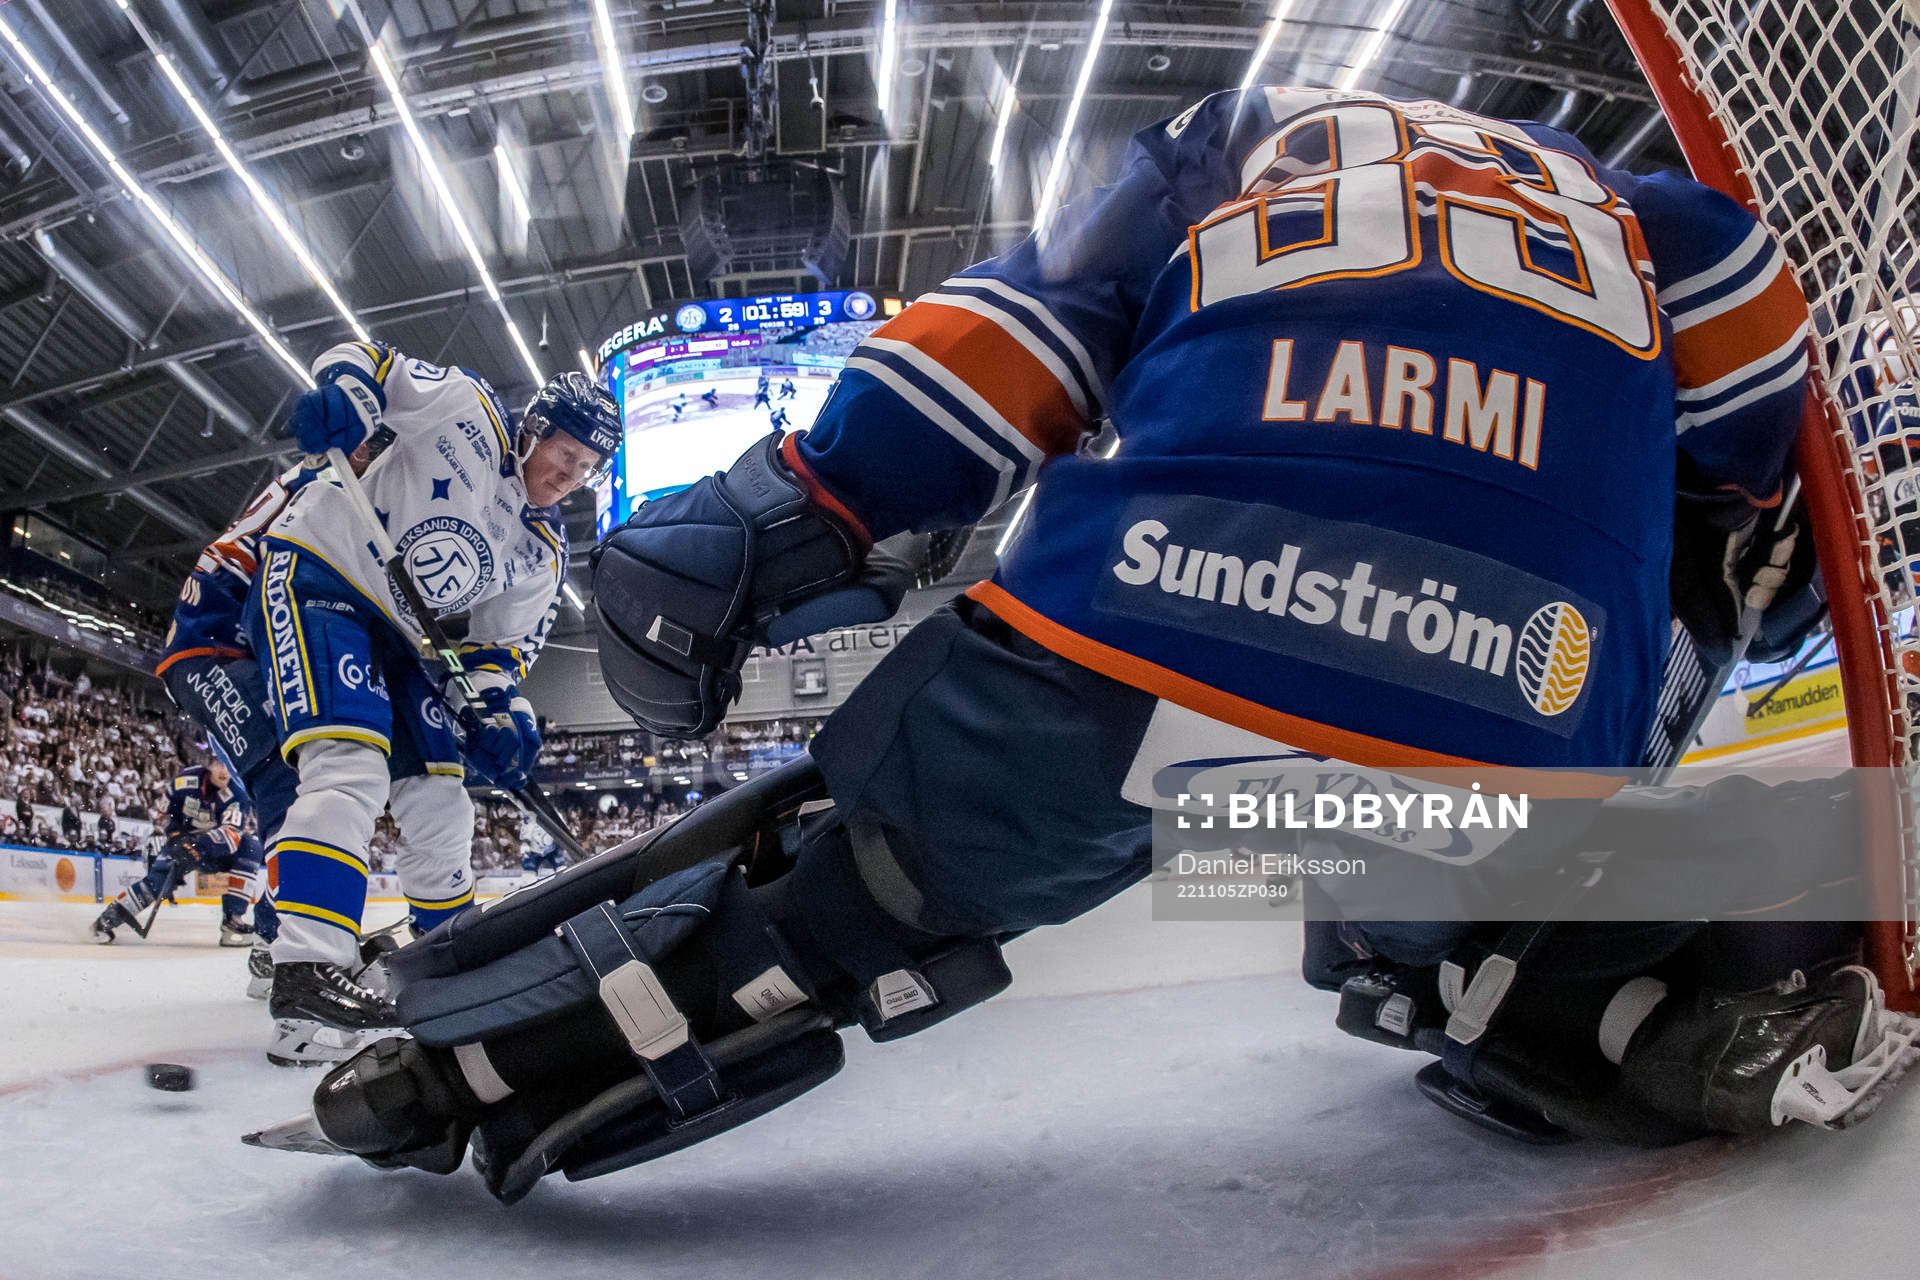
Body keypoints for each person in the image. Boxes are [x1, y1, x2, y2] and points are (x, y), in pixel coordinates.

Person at [291, 88, 1911, 1191]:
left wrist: (782, 522)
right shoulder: (1689, 227)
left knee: (867, 897)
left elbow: (972, 365)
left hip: (1160, 609)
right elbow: (1735, 531)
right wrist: (1630, 737)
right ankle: (1543, 982)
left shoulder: (1228, 147)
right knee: (1444, 844)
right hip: (1528, 686)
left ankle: (470, 1079)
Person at [244, 341, 617, 1065]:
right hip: (320, 573)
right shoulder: (465, 409)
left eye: (586, 467)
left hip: (403, 633)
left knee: (445, 798)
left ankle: (453, 968)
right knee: (349, 766)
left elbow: (494, 657)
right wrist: (349, 394)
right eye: (564, 453)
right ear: (533, 429)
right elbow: (370, 363)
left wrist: (501, 716)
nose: (569, 475)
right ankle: (305, 973)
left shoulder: (542, 550)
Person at [90, 758, 262, 947]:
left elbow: (231, 835)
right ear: (209, 765)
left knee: (251, 846)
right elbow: (162, 814)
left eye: (229, 766)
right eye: (220, 764)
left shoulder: (237, 793)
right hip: (179, 843)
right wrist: (176, 837)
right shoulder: (184, 781)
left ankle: (233, 918)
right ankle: (108, 919)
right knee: (157, 882)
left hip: (213, 850)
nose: (225, 771)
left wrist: (199, 845)